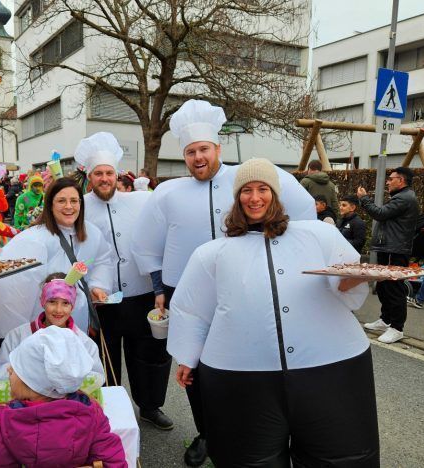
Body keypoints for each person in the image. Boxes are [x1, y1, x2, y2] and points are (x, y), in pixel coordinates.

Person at [131, 99, 315, 466]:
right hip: (184, 292)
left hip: (245, 289)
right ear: (184, 156)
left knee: (246, 358)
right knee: (193, 365)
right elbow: (146, 246)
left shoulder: (250, 180)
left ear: (218, 148)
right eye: (190, 152)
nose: (198, 157)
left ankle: (248, 429)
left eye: (204, 149)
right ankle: (206, 432)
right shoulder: (167, 193)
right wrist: (157, 292)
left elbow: (304, 212)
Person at [169, 158, 378, 466]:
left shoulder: (318, 235)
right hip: (242, 377)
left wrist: (362, 275)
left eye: (263, 189)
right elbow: (191, 307)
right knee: (249, 458)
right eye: (247, 190)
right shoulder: (213, 253)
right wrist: (187, 356)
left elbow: (344, 286)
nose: (255, 198)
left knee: (339, 456)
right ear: (237, 198)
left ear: (276, 195)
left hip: (331, 368)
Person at [79, 132, 174, 431]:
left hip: (141, 293)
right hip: (100, 297)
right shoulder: (77, 206)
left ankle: (150, 406)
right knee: (103, 358)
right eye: (98, 173)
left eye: (109, 173)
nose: (104, 178)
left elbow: (158, 242)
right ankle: (107, 408)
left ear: (117, 174)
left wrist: (159, 287)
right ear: (89, 176)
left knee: (149, 355)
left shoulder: (141, 202)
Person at [0, 177, 115, 381]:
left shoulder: (92, 234)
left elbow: (103, 259)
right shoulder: (33, 239)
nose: (69, 206)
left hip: (72, 324)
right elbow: (11, 291)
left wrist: (97, 286)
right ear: (50, 205)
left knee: (68, 373)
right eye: (61, 201)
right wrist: (19, 337)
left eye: (74, 201)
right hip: (37, 327)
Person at [0, 326, 127, 468]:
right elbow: (114, 462)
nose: (9, 369)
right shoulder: (92, 416)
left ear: (32, 382)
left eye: (17, 368)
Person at [0, 272, 104, 385]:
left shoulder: (83, 342)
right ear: (42, 301)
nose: (58, 310)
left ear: (72, 306)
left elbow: (97, 377)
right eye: (52, 302)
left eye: (65, 303)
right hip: (26, 402)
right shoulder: (18, 336)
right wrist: (23, 369)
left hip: (67, 404)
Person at [357, 167, 419, 344]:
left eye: (391, 179)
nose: (388, 182)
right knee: (384, 286)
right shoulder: (401, 197)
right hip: (389, 247)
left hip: (395, 249)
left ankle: (397, 328)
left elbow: (380, 214)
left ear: (401, 180)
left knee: (394, 288)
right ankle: (385, 320)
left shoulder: (404, 198)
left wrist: (364, 199)